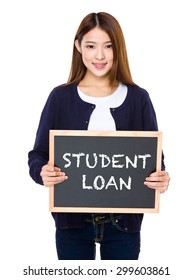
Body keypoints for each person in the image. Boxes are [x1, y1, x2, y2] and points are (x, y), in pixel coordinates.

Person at [28, 12, 170, 260]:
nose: (100, 56)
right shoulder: (60, 98)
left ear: (118, 49)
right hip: (71, 225)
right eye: (91, 46)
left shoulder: (139, 98)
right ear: (78, 46)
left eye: (108, 46)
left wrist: (161, 179)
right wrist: (42, 171)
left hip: (123, 226)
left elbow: (154, 161)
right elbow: (38, 155)